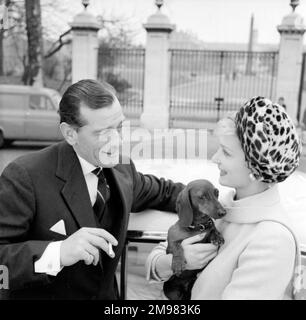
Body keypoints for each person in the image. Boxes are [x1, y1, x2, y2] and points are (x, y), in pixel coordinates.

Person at [0, 79, 185, 300]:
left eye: (119, 127)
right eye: (102, 133)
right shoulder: (24, 176)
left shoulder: (123, 169)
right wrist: (58, 252)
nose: (116, 141)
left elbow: (165, 192)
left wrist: (222, 203)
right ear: (70, 134)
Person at [146, 96, 302, 300]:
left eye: (226, 153)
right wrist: (175, 260)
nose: (214, 158)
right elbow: (155, 261)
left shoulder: (273, 240)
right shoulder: (223, 207)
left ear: (256, 167)